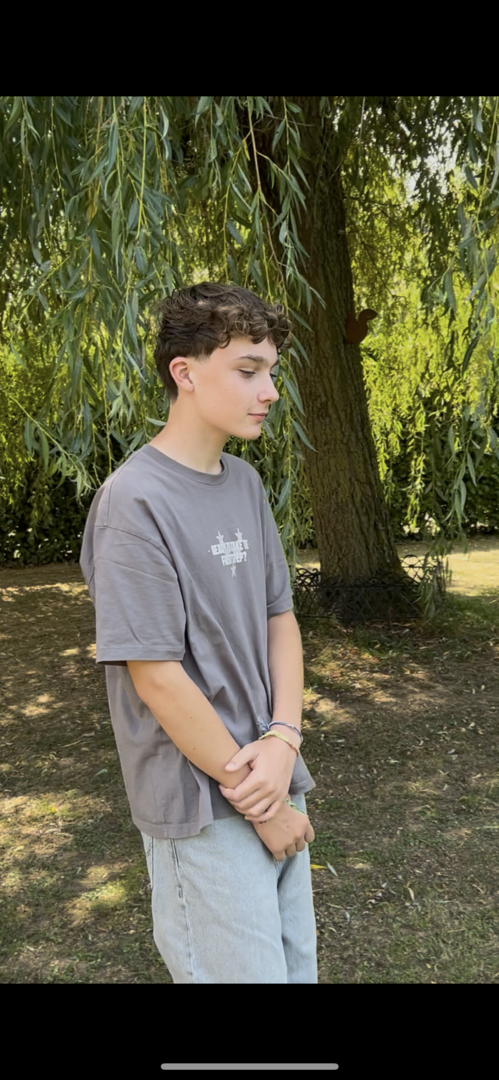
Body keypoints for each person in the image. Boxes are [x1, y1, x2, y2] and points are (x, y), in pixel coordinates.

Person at [79, 281, 318, 983]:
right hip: (203, 803)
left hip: (273, 770)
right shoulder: (133, 503)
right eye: (248, 370)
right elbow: (155, 676)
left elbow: (280, 618)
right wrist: (259, 800)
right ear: (184, 372)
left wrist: (284, 739)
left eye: (270, 371)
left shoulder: (244, 483)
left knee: (295, 970)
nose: (269, 391)